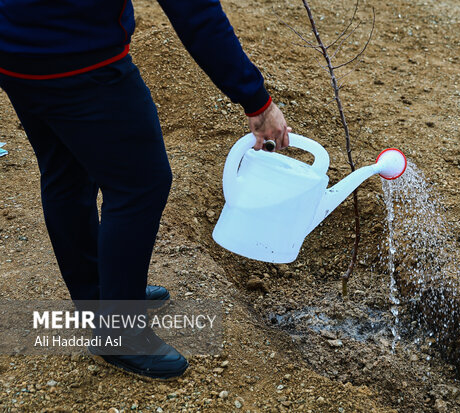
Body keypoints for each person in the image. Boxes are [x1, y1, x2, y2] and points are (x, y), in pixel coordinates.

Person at [0, 0, 290, 379]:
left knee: (66, 172)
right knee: (141, 184)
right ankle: (119, 333)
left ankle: (100, 300)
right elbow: (195, 11)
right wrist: (257, 100)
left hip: (17, 49)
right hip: (81, 60)